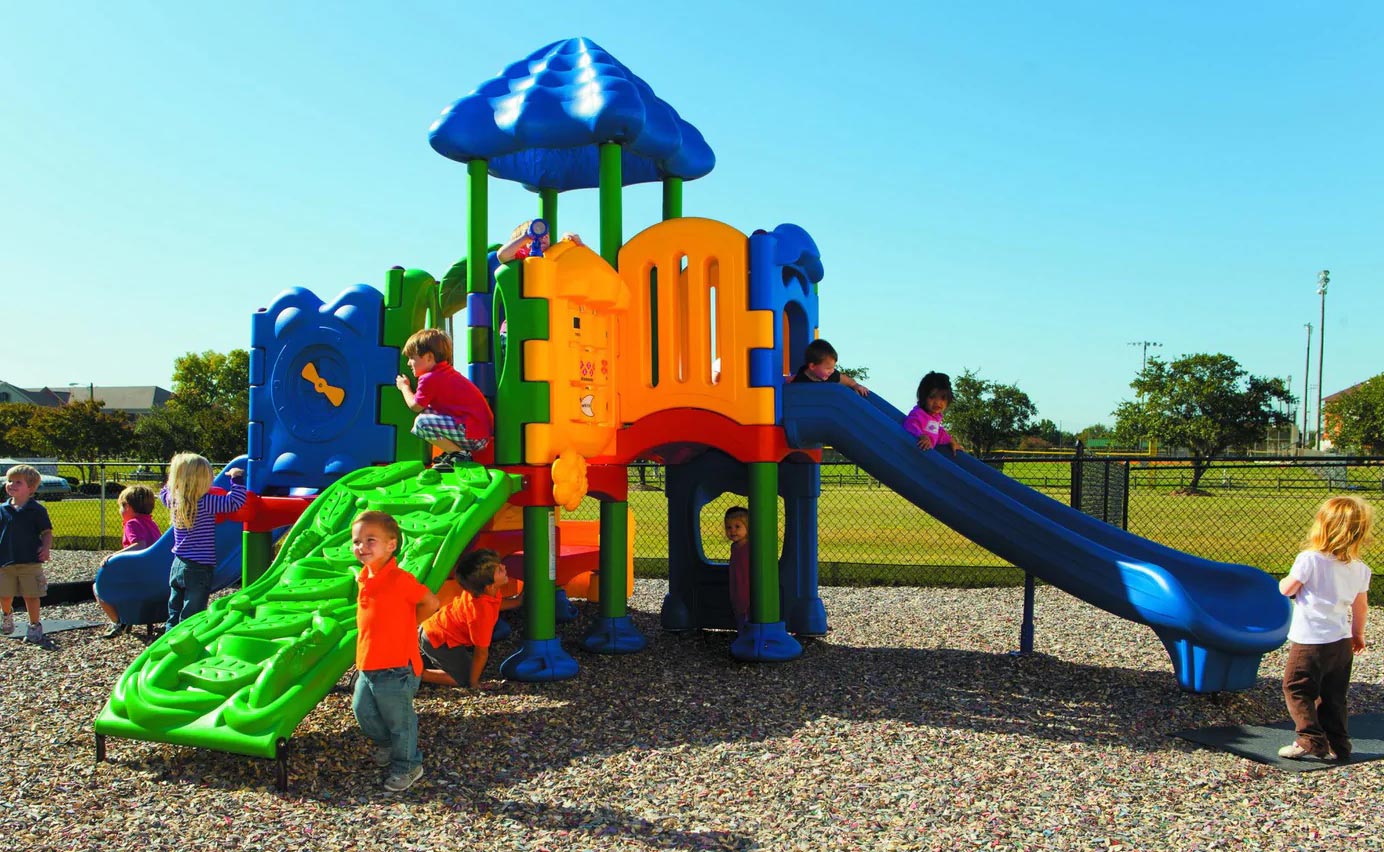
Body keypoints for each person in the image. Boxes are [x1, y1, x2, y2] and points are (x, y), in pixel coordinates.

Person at [1277, 495, 1373, 762]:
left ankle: (1310, 739)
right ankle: (1339, 744)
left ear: (1323, 526)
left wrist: (1286, 581)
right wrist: (1358, 634)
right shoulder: (1360, 568)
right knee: (1333, 695)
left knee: (1296, 687)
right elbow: (1361, 606)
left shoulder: (1309, 559)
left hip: (1310, 640)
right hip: (1341, 640)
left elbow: (1287, 589)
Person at [351, 510, 439, 793]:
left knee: (400, 720)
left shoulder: (399, 580)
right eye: (357, 541)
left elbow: (431, 602)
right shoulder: (364, 577)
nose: (361, 547)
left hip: (397, 667)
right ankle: (389, 745)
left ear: (391, 545)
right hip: (369, 663)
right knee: (362, 711)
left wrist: (409, 624)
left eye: (370, 540)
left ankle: (408, 764)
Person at [160, 454, 246, 628]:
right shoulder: (206, 502)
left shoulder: (174, 499)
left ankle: (169, 640)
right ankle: (188, 645)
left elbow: (163, 493)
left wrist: (174, 482)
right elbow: (235, 502)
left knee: (175, 608)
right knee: (193, 613)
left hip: (178, 563)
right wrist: (236, 478)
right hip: (198, 566)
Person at [394, 328, 494, 470]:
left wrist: (404, 387)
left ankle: (458, 454)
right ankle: (454, 453)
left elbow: (415, 406)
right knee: (429, 412)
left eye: (412, 357)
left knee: (421, 423)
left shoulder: (430, 378)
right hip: (479, 433)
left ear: (429, 357)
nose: (409, 363)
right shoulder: (445, 374)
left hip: (474, 436)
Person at [418, 548, 512, 689]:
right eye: (499, 570)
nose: (504, 567)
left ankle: (420, 658)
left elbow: (497, 605)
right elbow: (480, 653)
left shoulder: (483, 593)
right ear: (489, 585)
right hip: (439, 640)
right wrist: (474, 683)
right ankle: (415, 673)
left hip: (432, 630)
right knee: (464, 679)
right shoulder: (481, 615)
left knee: (462, 665)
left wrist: (519, 601)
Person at [96, 485, 162, 638]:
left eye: (121, 506)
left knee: (98, 588)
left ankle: (118, 621)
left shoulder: (132, 524)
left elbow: (140, 545)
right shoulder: (151, 523)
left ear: (128, 507)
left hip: (137, 576)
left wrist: (114, 556)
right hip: (156, 576)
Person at [1, 464, 54, 645]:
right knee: (4, 594)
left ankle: (34, 625)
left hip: (30, 560)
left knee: (31, 595)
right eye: (9, 481)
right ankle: (7, 615)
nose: (11, 485)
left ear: (30, 488)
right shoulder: (2, 509)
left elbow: (46, 531)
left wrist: (46, 548)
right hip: (5, 561)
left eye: (18, 482)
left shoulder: (37, 510)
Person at [903, 371, 965, 457]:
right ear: (924, 397)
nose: (938, 402)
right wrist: (921, 435)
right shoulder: (919, 413)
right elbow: (910, 424)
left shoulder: (935, 418)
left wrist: (951, 441)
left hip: (925, 456)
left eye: (943, 398)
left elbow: (938, 432)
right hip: (913, 454)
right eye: (932, 397)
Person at [789, 339, 869, 397]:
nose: (832, 371)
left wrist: (856, 385)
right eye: (828, 368)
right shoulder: (800, 379)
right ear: (812, 366)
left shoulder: (832, 375)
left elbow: (847, 380)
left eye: (833, 367)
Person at [724, 506, 750, 628]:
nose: (732, 531)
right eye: (729, 527)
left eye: (737, 526)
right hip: (736, 588)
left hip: (747, 590)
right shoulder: (735, 546)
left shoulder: (749, 547)